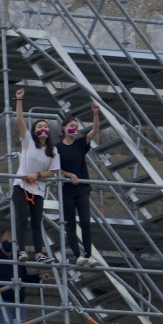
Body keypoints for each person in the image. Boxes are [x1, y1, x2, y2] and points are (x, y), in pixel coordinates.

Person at [12, 88, 73, 263]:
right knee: (23, 218)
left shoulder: (53, 150)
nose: (43, 128)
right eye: (39, 126)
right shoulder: (28, 142)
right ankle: (22, 251)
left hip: (38, 189)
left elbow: (53, 171)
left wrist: (38, 174)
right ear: (34, 130)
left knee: (37, 222)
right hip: (21, 186)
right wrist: (19, 100)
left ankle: (39, 254)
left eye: (45, 126)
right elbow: (20, 120)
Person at [58, 102, 100, 266]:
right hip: (67, 189)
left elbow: (94, 131)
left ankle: (88, 255)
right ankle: (78, 256)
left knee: (85, 222)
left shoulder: (80, 143)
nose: (74, 128)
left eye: (76, 126)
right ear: (64, 128)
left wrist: (95, 114)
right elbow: (55, 169)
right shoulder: (57, 147)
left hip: (82, 189)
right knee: (70, 224)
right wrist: (69, 175)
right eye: (71, 125)